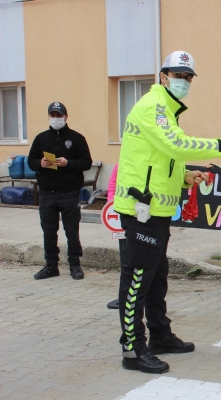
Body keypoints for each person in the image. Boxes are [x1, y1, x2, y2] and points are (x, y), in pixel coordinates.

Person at [114, 50, 221, 374]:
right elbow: (175, 144)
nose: (184, 82)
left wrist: (185, 176)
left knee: (156, 277)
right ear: (163, 77)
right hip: (140, 209)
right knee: (137, 279)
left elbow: (165, 158)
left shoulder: (167, 110)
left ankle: (160, 335)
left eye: (188, 77)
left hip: (158, 210)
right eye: (178, 75)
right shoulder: (154, 107)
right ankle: (133, 348)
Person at [28, 102, 92, 281]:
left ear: (66, 117)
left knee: (71, 230)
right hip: (47, 193)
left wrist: (68, 163)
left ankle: (75, 265)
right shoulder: (41, 138)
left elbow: (86, 162)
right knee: (49, 231)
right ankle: (51, 266)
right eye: (53, 115)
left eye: (59, 115)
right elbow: (31, 160)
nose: (56, 118)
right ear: (49, 116)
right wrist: (40, 163)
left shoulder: (77, 138)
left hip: (69, 193)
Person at [106, 163, 123, 310]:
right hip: (121, 219)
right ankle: (125, 296)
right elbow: (113, 186)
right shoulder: (121, 163)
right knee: (126, 260)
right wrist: (112, 206)